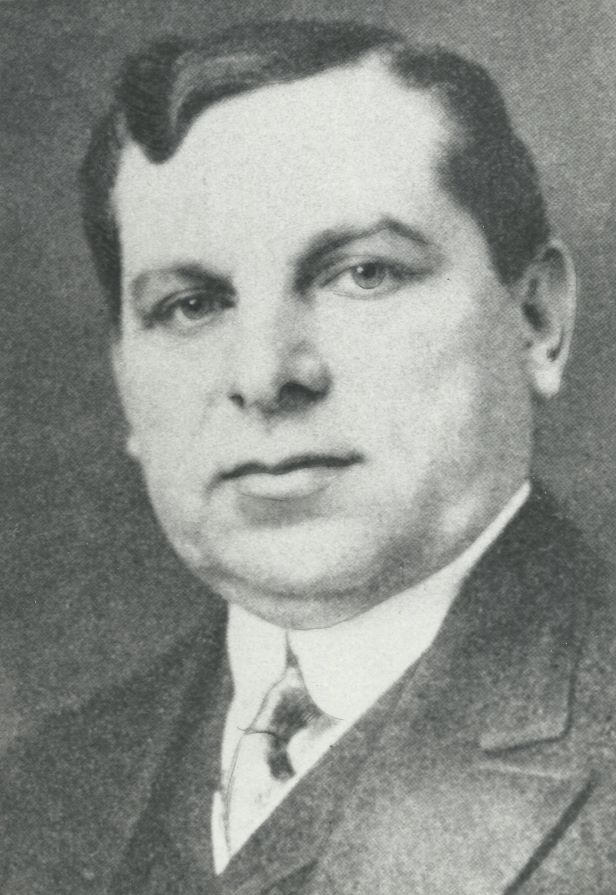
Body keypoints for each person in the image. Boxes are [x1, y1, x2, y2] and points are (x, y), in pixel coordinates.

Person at [1, 18, 614, 894]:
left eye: (363, 273)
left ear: (537, 321)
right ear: (125, 383)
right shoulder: (38, 785)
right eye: (191, 304)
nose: (264, 375)